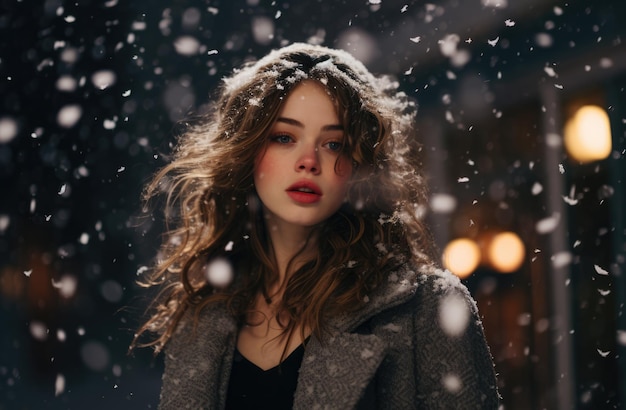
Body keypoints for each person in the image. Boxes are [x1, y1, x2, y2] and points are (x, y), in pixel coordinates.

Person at [132, 42, 499, 409]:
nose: (308, 161)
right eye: (284, 137)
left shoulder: (425, 311)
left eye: (334, 144)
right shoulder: (203, 317)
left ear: (359, 164)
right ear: (247, 151)